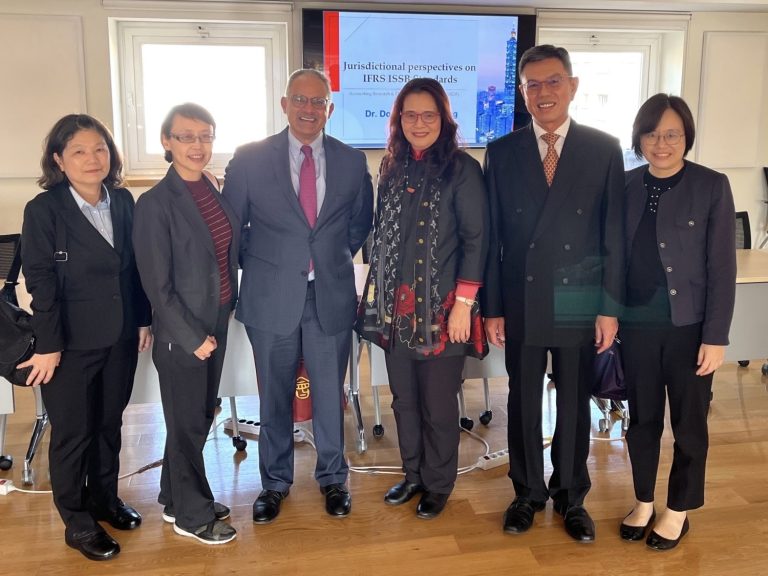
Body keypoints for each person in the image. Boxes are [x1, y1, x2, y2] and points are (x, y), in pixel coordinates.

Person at [482, 45, 625, 542]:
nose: (543, 93)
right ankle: (526, 493)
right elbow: (493, 239)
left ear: (573, 85)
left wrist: (609, 307)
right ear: (522, 93)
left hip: (579, 299)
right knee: (522, 400)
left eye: (553, 81)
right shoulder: (501, 152)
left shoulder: (603, 148)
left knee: (574, 402)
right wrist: (493, 308)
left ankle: (571, 495)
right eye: (533, 85)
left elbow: (613, 235)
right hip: (520, 299)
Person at [223, 69, 373, 522]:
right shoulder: (250, 158)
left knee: (330, 394)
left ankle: (333, 478)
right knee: (274, 396)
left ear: (330, 108)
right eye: (300, 100)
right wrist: (270, 262)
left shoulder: (351, 161)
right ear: (285, 104)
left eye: (318, 101)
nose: (309, 109)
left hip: (329, 293)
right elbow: (233, 227)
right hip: (270, 296)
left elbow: (359, 224)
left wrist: (326, 257)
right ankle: (274, 483)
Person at [19, 114, 152, 561]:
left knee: (109, 423)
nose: (92, 158)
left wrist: (142, 319)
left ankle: (104, 499)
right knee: (73, 433)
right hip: (70, 343)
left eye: (100, 148)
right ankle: (76, 521)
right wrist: (48, 344)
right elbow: (41, 281)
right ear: (59, 159)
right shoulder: (44, 210)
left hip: (120, 335)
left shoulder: (123, 200)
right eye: (78, 151)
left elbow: (134, 267)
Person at [356, 78, 489, 519]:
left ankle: (438, 482)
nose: (419, 123)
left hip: (444, 312)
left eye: (428, 115)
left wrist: (463, 306)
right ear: (398, 120)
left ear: (443, 119)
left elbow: (476, 240)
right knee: (404, 400)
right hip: (395, 312)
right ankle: (412, 474)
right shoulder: (391, 166)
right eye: (409, 115)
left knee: (438, 405)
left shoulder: (463, 169)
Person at [618, 94, 735, 551]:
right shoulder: (626, 184)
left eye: (672, 134)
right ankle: (643, 501)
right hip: (637, 328)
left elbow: (722, 268)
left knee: (689, 424)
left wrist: (716, 337)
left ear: (686, 137)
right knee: (642, 420)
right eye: (652, 134)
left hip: (690, 328)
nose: (661, 143)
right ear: (639, 138)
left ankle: (678, 509)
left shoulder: (711, 186)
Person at [133, 103, 240, 545]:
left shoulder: (211, 187)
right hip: (185, 333)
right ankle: (193, 516)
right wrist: (192, 336)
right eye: (186, 136)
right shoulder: (155, 203)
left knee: (194, 416)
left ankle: (174, 498)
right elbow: (157, 286)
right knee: (188, 423)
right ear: (166, 141)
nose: (198, 145)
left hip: (216, 317)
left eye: (205, 136)